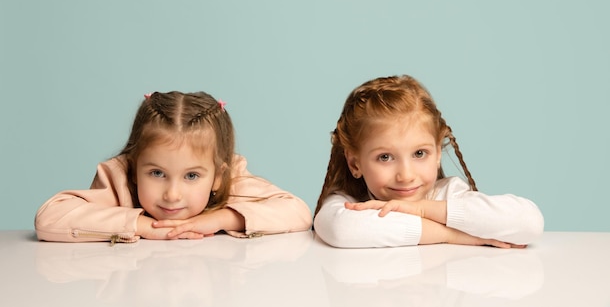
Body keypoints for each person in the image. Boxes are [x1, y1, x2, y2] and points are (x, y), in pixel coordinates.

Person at [35, 91, 313, 243]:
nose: (172, 194)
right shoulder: (118, 178)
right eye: (157, 173)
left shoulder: (232, 179)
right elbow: (49, 218)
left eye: (192, 176)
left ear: (218, 176)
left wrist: (220, 219)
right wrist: (142, 226)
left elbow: (298, 213)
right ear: (134, 168)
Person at [313, 75, 544, 248]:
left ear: (437, 153)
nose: (406, 175)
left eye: (420, 154)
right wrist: (451, 235)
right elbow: (341, 230)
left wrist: (422, 209)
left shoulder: (449, 195)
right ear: (355, 164)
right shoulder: (350, 203)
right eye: (385, 157)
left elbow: (530, 222)